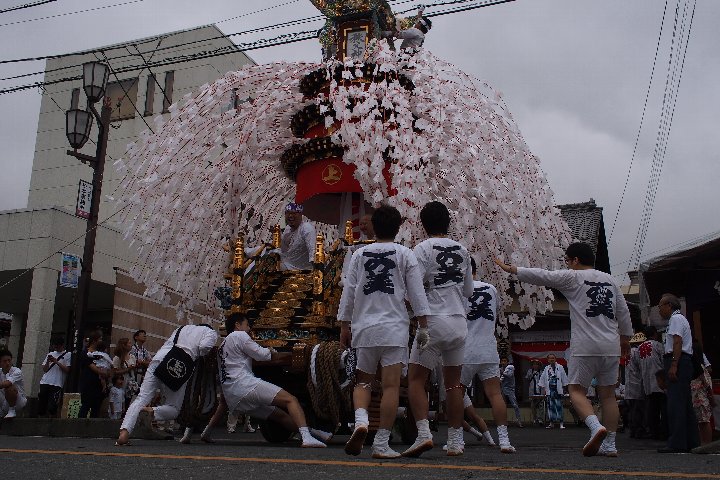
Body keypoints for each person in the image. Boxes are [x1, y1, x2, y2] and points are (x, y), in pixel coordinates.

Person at [496, 241, 633, 457]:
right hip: (611, 345)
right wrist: (625, 339)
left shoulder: (573, 277)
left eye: (568, 261)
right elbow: (623, 312)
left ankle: (596, 427)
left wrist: (513, 269)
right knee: (608, 396)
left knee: (575, 390)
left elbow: (543, 275)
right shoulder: (610, 281)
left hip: (585, 344)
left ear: (576, 260)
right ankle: (611, 445)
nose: (567, 265)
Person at [338, 204, 430, 459]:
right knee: (390, 387)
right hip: (394, 328)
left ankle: (360, 422)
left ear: (374, 227)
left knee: (363, 381)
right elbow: (417, 294)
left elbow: (348, 292)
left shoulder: (359, 255)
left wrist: (344, 325)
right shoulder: (405, 254)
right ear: (398, 227)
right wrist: (424, 325)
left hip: (364, 327)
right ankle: (381, 443)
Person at [404, 201, 474, 457]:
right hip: (458, 321)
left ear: (423, 224)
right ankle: (455, 442)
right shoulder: (463, 250)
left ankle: (424, 434)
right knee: (454, 384)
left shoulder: (422, 249)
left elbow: (412, 288)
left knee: (415, 380)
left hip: (432, 321)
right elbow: (469, 291)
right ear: (449, 222)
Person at [196, 315, 328, 448]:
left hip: (234, 396)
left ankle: (313, 433)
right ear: (237, 325)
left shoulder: (223, 344)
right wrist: (270, 350)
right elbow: (261, 355)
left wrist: (207, 432)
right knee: (291, 400)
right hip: (245, 385)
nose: (249, 329)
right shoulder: (239, 335)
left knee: (280, 416)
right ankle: (307, 438)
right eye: (247, 325)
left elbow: (222, 403)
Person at [116, 324, 219, 446]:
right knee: (174, 409)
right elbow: (204, 347)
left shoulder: (182, 328)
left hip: (159, 359)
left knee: (142, 398)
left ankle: (124, 433)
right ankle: (151, 411)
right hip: (180, 366)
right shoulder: (211, 333)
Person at [460, 258, 515, 452]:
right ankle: (505, 440)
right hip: (488, 348)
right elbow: (496, 313)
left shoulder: (459, 289)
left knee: (456, 394)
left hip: (464, 350)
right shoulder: (492, 289)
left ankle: (456, 439)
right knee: (495, 394)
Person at [657, 293, 700, 453]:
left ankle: (676, 442)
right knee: (685, 403)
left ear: (669, 305)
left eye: (661, 306)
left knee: (675, 403)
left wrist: (674, 364)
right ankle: (691, 441)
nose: (659, 309)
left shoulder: (676, 319)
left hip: (678, 361)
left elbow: (677, 341)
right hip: (683, 361)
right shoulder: (680, 319)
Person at [637, 326, 666, 440]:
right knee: (662, 408)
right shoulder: (658, 345)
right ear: (654, 334)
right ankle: (664, 431)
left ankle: (653, 431)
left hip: (647, 381)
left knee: (652, 408)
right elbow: (664, 361)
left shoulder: (639, 347)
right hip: (659, 380)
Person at [37, 336, 71, 417]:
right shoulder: (50, 354)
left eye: (57, 345)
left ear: (62, 345)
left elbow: (67, 370)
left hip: (57, 383)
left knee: (52, 405)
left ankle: (51, 420)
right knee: (42, 403)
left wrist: (56, 362)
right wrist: (48, 361)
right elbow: (45, 369)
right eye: (54, 345)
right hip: (45, 381)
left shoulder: (68, 354)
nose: (55, 347)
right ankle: (40, 419)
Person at [690, 340, 714, 445]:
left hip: (701, 396)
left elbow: (707, 384)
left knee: (704, 421)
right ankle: (703, 443)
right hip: (697, 397)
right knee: (701, 422)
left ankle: (706, 443)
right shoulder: (699, 368)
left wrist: (711, 397)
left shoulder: (700, 370)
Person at [79, 330, 108, 418]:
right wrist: (103, 372)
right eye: (100, 339)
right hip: (88, 383)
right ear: (94, 340)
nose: (101, 341)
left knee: (96, 408)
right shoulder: (85, 353)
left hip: (98, 384)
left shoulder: (102, 353)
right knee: (85, 406)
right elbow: (93, 368)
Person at [280, 202, 316, 271]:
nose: (290, 216)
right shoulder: (287, 229)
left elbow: (313, 250)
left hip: (303, 270)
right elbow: (282, 250)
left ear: (300, 215)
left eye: (294, 213)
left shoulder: (306, 228)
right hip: (287, 265)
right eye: (288, 213)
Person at [624, 333, 645, 438]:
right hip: (636, 382)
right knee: (638, 409)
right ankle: (638, 430)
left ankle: (632, 429)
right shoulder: (637, 352)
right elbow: (640, 367)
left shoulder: (628, 352)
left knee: (632, 409)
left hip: (629, 384)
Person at [539, 354, 568, 429]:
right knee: (550, 407)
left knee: (559, 406)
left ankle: (561, 423)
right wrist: (543, 389)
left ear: (555, 359)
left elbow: (564, 377)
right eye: (550, 358)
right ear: (548, 360)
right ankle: (551, 423)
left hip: (558, 389)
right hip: (550, 389)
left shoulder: (560, 367)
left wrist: (564, 388)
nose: (551, 359)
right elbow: (543, 379)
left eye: (553, 358)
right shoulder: (546, 368)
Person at [112, 337, 138, 406]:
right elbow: (115, 372)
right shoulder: (117, 358)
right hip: (122, 382)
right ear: (124, 345)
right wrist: (128, 369)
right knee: (120, 402)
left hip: (130, 382)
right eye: (129, 343)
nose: (131, 345)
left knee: (128, 402)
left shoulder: (132, 357)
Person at [0, 349, 26, 418]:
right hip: (4, 402)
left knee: (9, 387)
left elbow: (7, 383)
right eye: (5, 361)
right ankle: (2, 411)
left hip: (18, 402)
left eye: (9, 360)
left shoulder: (17, 371)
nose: (8, 363)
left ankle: (12, 410)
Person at [499, 358, 523, 427]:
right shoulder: (500, 369)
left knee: (515, 405)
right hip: (503, 389)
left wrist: (502, 373)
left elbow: (509, 376)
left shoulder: (510, 368)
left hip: (510, 389)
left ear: (507, 362)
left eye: (504, 361)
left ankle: (519, 421)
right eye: (502, 361)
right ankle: (504, 421)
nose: (503, 362)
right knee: (503, 406)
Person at [526, 359, 545, 425]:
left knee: (541, 405)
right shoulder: (530, 371)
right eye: (534, 364)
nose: (535, 365)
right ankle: (534, 418)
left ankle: (540, 419)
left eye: (537, 364)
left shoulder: (542, 372)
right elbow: (527, 379)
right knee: (533, 405)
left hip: (540, 390)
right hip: (532, 390)